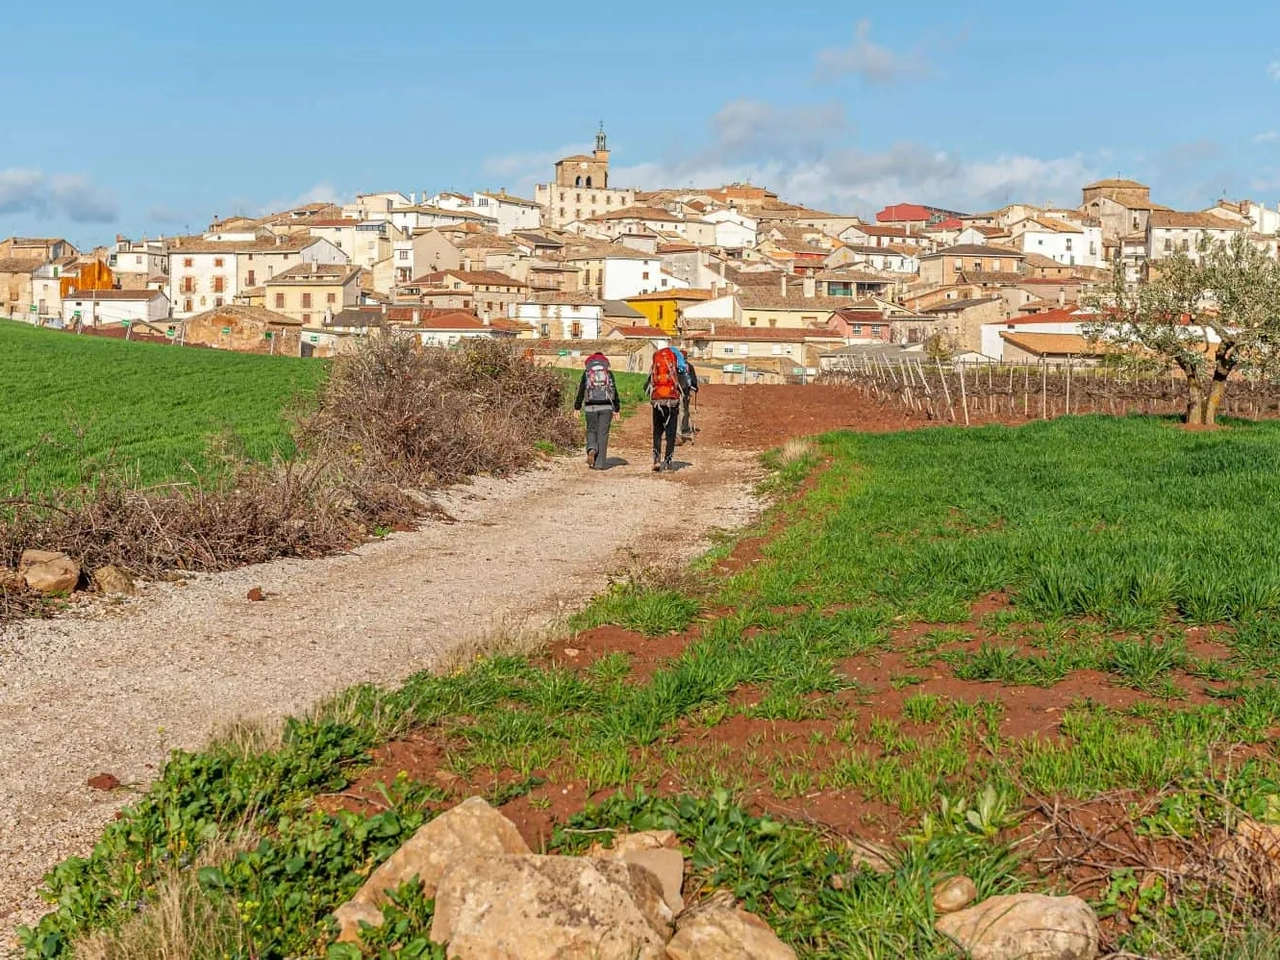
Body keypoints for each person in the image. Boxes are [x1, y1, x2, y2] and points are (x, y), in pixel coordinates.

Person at [573, 351, 620, 470]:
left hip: (590, 407)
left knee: (591, 430)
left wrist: (577, 407)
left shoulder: (587, 373)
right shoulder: (608, 373)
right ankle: (600, 464)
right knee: (602, 434)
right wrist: (616, 409)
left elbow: (581, 390)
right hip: (606, 407)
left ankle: (592, 448)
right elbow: (614, 391)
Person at [645, 345, 683, 472]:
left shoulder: (655, 367)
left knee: (657, 431)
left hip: (657, 402)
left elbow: (646, 385)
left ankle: (656, 459)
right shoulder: (676, 367)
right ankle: (668, 462)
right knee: (670, 434)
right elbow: (683, 384)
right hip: (672, 402)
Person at [679, 358, 699, 442]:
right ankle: (684, 428)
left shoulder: (674, 365)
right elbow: (693, 380)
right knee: (684, 410)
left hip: (673, 392)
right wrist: (696, 388)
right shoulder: (688, 366)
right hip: (685, 392)